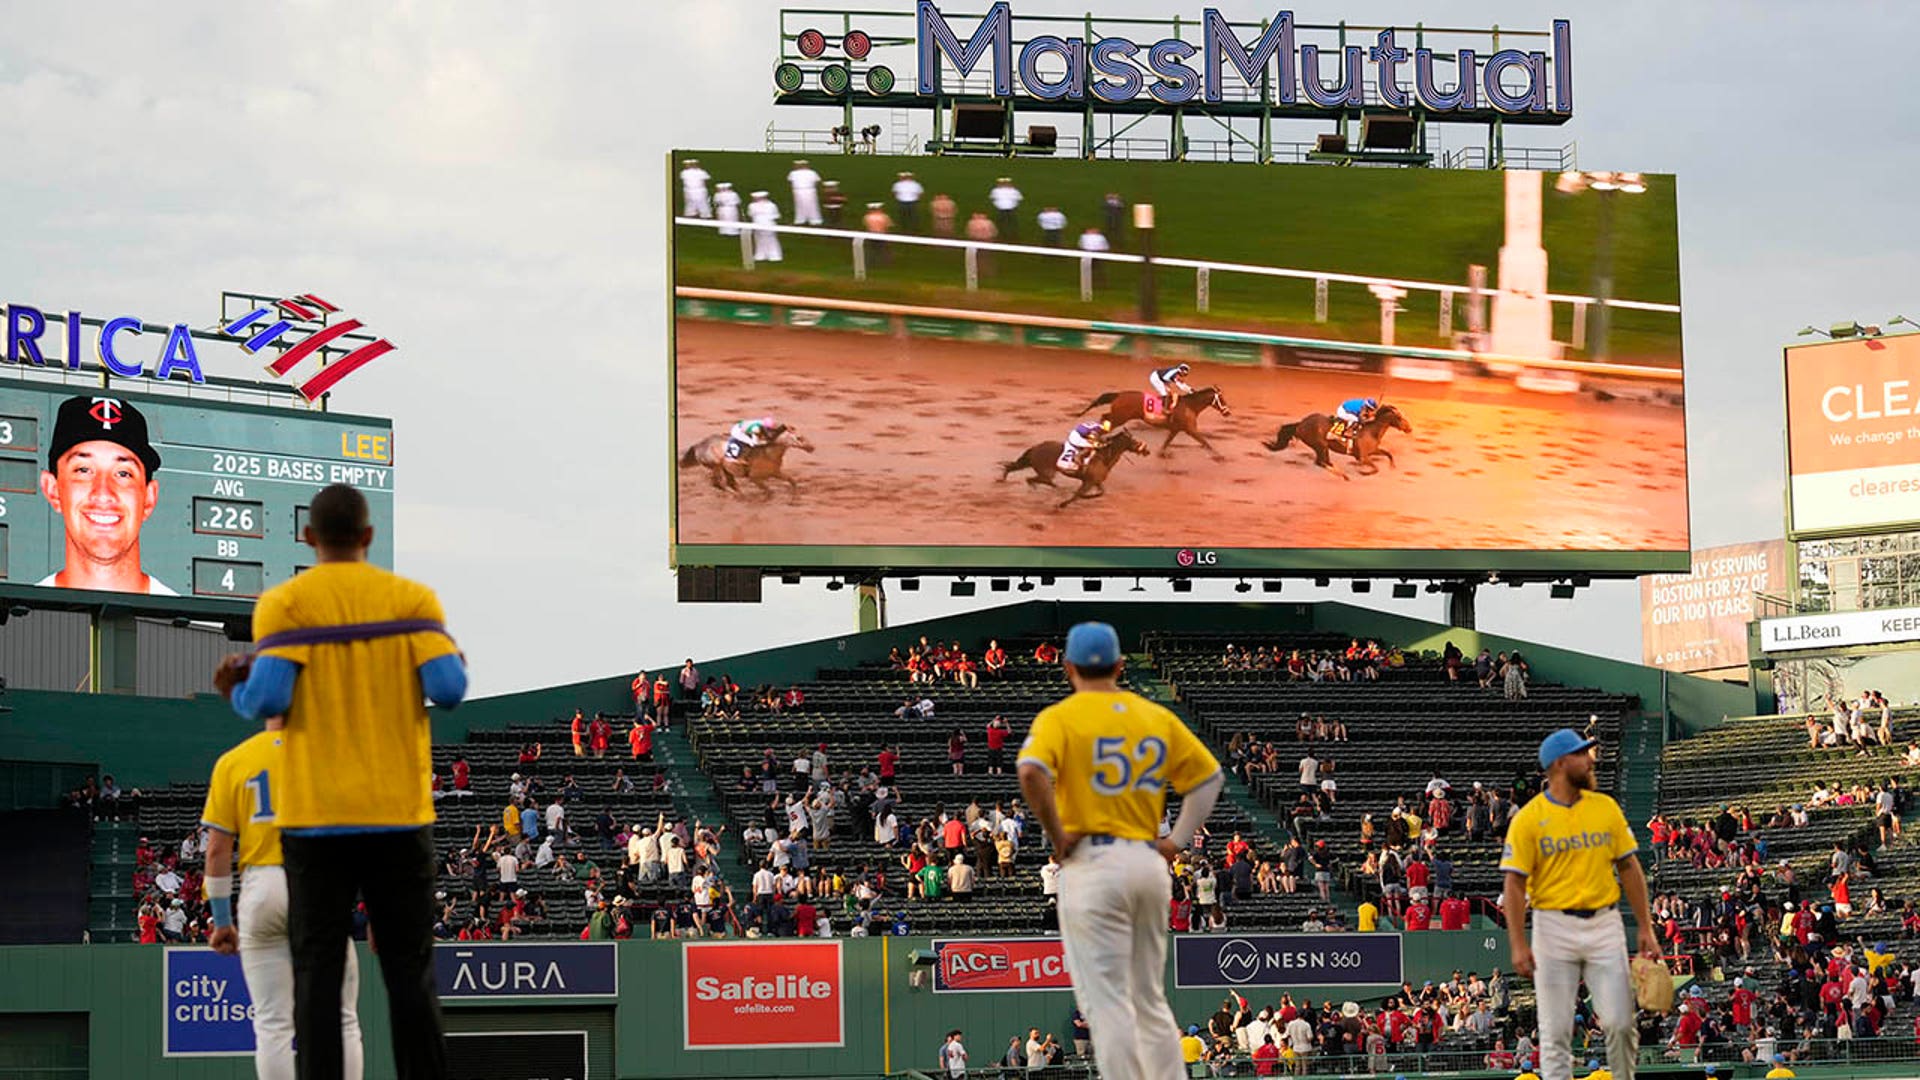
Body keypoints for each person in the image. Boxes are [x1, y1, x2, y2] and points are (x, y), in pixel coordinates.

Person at [214, 483, 468, 1079]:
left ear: (308, 538)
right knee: (410, 976)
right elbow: (450, 690)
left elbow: (270, 697)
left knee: (318, 978)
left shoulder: (285, 604)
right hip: (398, 816)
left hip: (314, 820)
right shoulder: (411, 600)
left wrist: (235, 691)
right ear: (368, 537)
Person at [1017, 621, 1223, 1080]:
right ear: (1120, 666)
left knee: (1106, 1001)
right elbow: (1210, 779)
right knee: (1148, 996)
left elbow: (1030, 772)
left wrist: (1056, 833)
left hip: (1092, 862)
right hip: (1146, 862)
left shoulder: (1060, 717)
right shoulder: (1153, 716)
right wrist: (1176, 841)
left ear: (1068, 667)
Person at [202, 716, 366, 1080]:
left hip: (262, 885)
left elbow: (216, 852)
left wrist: (222, 921)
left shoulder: (235, 760)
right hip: (316, 882)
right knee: (341, 1016)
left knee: (273, 1022)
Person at [1501, 728, 1658, 1080]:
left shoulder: (1605, 807)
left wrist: (1646, 926)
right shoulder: (1528, 819)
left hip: (1605, 923)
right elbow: (1513, 883)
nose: (1590, 760)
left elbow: (1630, 867)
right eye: (1581, 754)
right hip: (1552, 926)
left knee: (1619, 1023)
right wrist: (1517, 942)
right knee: (1555, 1032)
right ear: (1559, 764)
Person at [37, 395, 177, 594]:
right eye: (83, 470)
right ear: (53, 490)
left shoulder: (184, 621)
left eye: (123, 473)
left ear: (148, 498)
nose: (103, 493)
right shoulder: (16, 622)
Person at [746, 191, 783, 263]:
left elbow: (750, 214)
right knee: (761, 239)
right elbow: (776, 215)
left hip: (765, 224)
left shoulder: (770, 205)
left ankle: (771, 255)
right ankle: (764, 255)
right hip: (760, 224)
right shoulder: (770, 205)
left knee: (767, 239)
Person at [787, 159, 823, 226]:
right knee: (812, 205)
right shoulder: (812, 172)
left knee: (800, 205)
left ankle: (800, 219)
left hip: (798, 190)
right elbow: (817, 181)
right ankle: (814, 220)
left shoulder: (793, 173)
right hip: (810, 190)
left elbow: (790, 181)